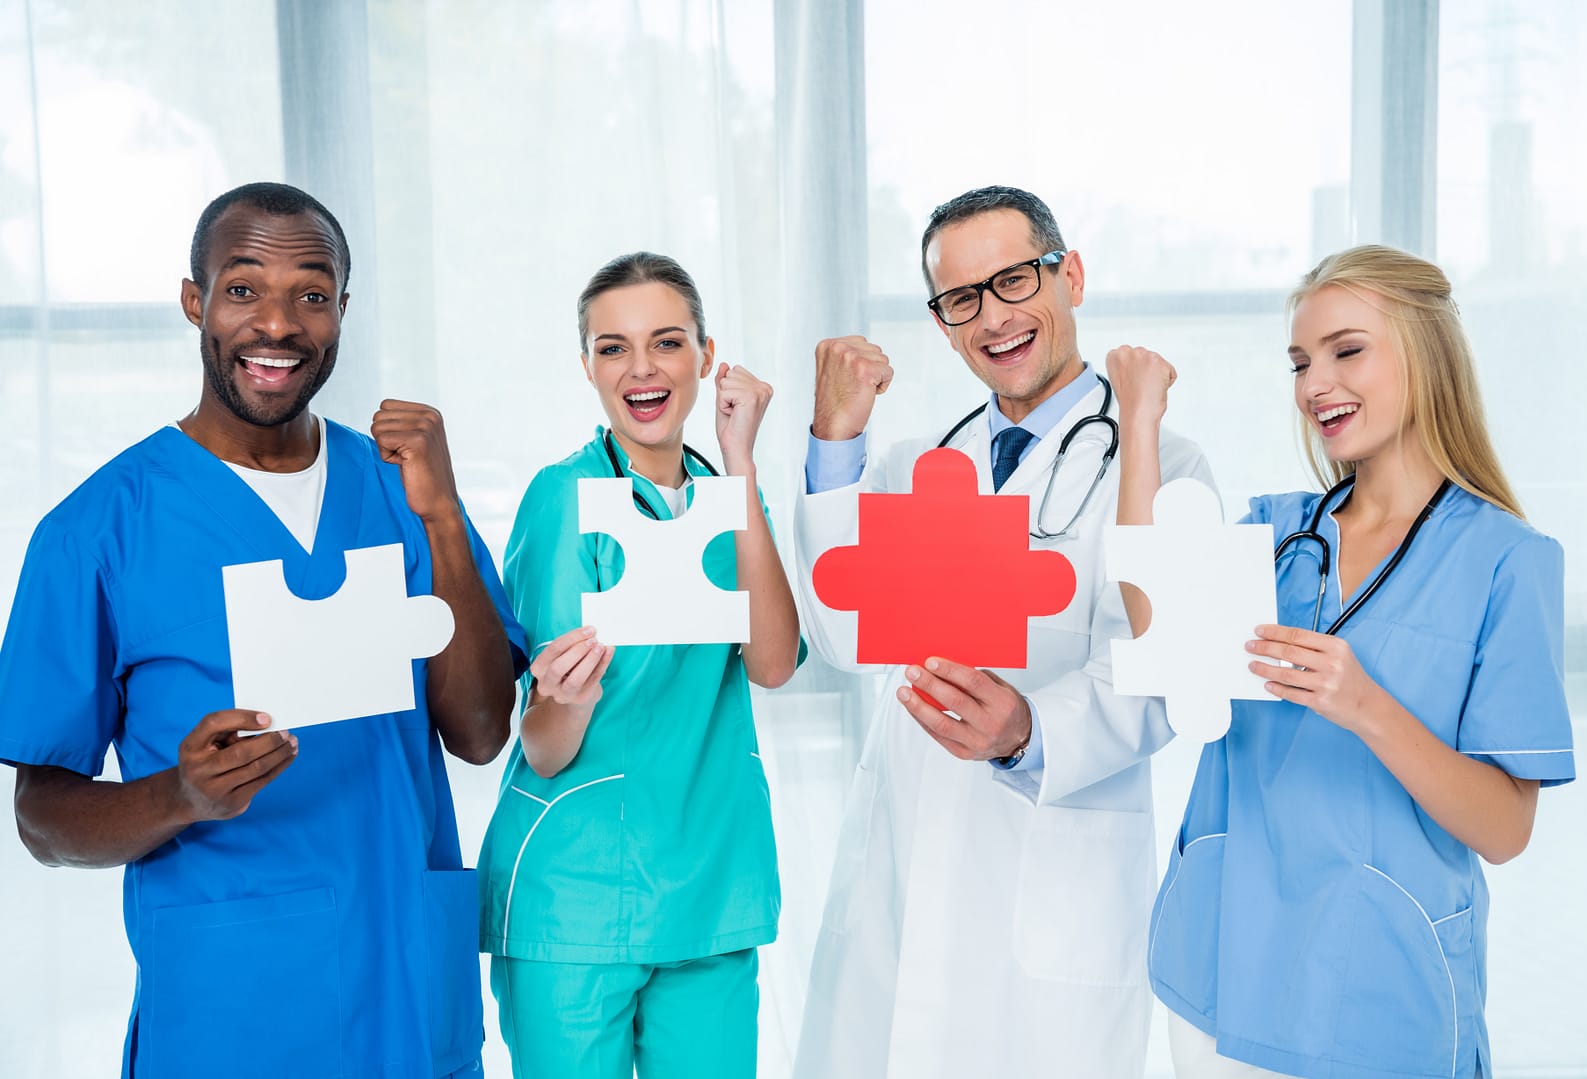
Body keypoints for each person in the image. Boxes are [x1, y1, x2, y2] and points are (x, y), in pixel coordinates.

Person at [0, 182, 526, 1079]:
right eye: (242, 288)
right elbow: (43, 821)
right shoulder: (97, 531)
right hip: (232, 1007)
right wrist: (180, 795)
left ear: (342, 310)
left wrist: (441, 516)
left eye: (310, 293)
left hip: (405, 987)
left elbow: (479, 732)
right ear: (194, 300)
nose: (277, 324)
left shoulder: (404, 490)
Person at [1113, 245, 1574, 1078]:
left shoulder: (1507, 561)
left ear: (1426, 353)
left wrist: (1366, 705)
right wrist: (1138, 420)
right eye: (1299, 363)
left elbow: (1504, 828)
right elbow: (1156, 622)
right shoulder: (1276, 533)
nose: (1313, 384)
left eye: (1345, 350)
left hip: (1379, 983)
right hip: (1223, 968)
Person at [792, 185, 1213, 1078]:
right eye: (961, 298)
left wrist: (1028, 730)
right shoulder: (909, 464)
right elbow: (840, 635)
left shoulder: (1165, 465)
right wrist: (834, 439)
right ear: (942, 324)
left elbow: (1160, 677)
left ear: (1071, 277)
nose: (992, 317)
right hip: (900, 880)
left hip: (1052, 886)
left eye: (1014, 280)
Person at [479, 251, 801, 1079]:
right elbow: (544, 746)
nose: (641, 367)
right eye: (613, 347)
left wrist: (741, 464)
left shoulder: (727, 496)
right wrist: (565, 697)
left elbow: (772, 663)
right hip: (574, 894)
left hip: (710, 885)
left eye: (666, 341)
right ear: (587, 366)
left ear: (705, 355)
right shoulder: (564, 496)